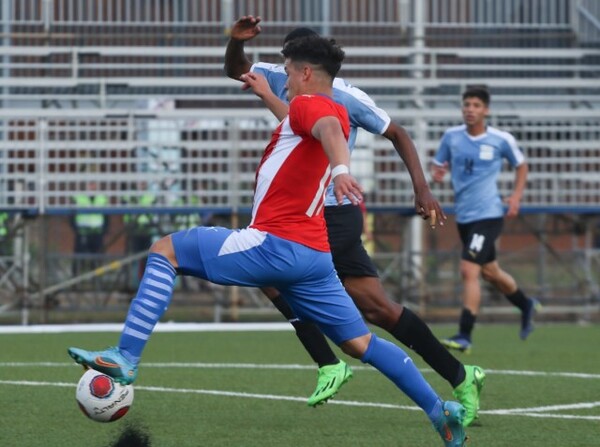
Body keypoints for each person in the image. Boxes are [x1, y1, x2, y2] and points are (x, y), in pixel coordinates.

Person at [68, 36, 467, 446]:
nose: (286, 79)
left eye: (289, 71)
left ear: (306, 73)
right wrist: (265, 95)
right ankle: (441, 413)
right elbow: (308, 127)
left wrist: (341, 170)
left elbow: (324, 128)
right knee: (361, 342)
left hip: (273, 243)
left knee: (165, 249)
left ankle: (126, 357)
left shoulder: (316, 107)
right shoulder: (323, 110)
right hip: (314, 257)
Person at [224, 15, 484, 426]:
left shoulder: (347, 96)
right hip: (296, 213)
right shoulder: (278, 76)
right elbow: (237, 70)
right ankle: (330, 363)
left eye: (288, 64)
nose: (281, 71)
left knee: (375, 308)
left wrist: (422, 187)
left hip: (333, 210)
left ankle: (458, 374)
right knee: (271, 276)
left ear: (306, 67)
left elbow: (396, 132)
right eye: (281, 63)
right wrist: (235, 42)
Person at [431, 86, 540, 353]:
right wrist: (438, 172)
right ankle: (525, 304)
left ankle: (464, 334)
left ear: (486, 110)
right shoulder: (451, 137)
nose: (470, 109)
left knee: (469, 269)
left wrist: (515, 197)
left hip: (489, 214)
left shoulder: (500, 139)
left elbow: (522, 165)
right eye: (467, 104)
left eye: (476, 105)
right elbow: (438, 163)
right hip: (465, 217)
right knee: (491, 272)